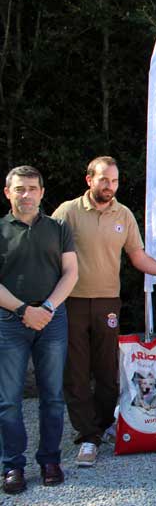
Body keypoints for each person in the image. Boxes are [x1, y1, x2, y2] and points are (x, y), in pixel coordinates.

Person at [51, 156, 156, 467]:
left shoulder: (124, 214)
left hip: (107, 302)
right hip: (71, 300)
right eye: (104, 180)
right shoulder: (67, 212)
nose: (110, 186)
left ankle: (101, 426)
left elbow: (138, 258)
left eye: (114, 181)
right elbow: (50, 255)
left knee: (107, 370)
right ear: (89, 180)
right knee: (75, 371)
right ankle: (87, 436)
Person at [0, 165, 78, 494]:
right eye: (20, 189)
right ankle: (13, 466)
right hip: (9, 321)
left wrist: (46, 309)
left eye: (33, 188)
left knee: (52, 397)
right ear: (8, 192)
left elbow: (71, 272)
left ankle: (50, 460)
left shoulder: (58, 228)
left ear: (42, 193)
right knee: (9, 401)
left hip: (52, 320)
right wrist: (22, 309)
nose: (27, 194)